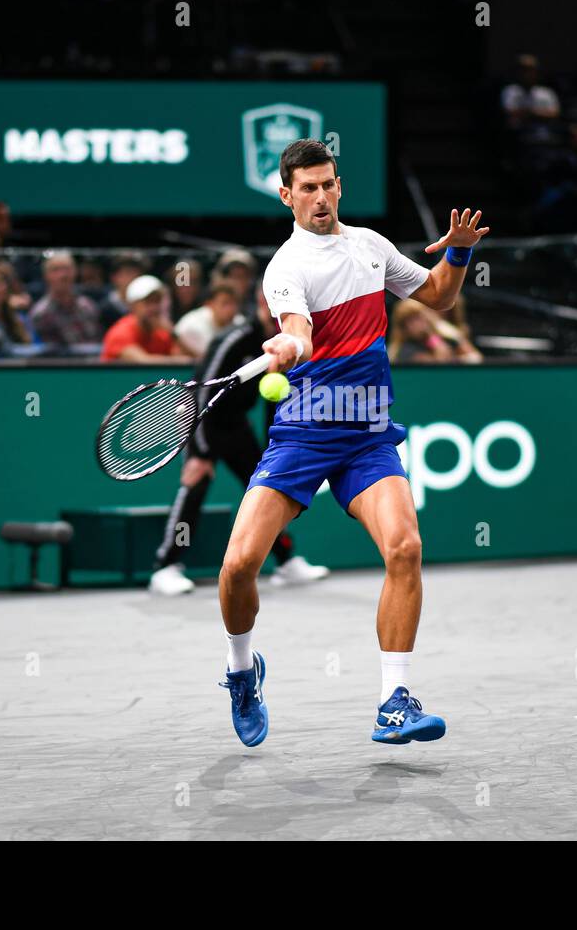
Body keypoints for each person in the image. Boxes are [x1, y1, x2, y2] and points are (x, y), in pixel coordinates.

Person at [215, 138, 488, 748]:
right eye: (306, 188)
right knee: (237, 567)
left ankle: (395, 700)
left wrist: (461, 255)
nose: (319, 196)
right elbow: (299, 335)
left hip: (367, 435)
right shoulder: (285, 267)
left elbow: (438, 296)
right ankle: (240, 672)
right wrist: (285, 348)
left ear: (339, 186)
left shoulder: (371, 246)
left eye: (328, 184)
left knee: (405, 548)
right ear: (286, 195)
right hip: (304, 431)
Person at [149, 287, 330, 596]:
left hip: (236, 426)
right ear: (263, 305)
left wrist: (272, 447)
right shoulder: (233, 340)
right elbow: (202, 394)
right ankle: (165, 567)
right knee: (196, 486)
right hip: (200, 419)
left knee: (267, 489)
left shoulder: (288, 346)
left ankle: (286, 562)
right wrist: (200, 452)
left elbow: (275, 403)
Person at [99, 274, 189, 363]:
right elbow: (143, 361)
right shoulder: (121, 332)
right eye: (148, 302)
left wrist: (174, 334)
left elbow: (188, 358)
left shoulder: (163, 333)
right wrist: (183, 360)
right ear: (133, 305)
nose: (154, 307)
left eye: (157, 301)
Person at [28, 250, 101, 350]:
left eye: (67, 269)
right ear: (46, 275)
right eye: (56, 270)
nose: (63, 275)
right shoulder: (41, 313)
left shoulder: (88, 306)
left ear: (75, 272)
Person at [173, 282, 244, 358]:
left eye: (234, 303)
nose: (230, 309)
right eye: (225, 303)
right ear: (210, 305)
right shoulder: (190, 324)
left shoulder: (242, 323)